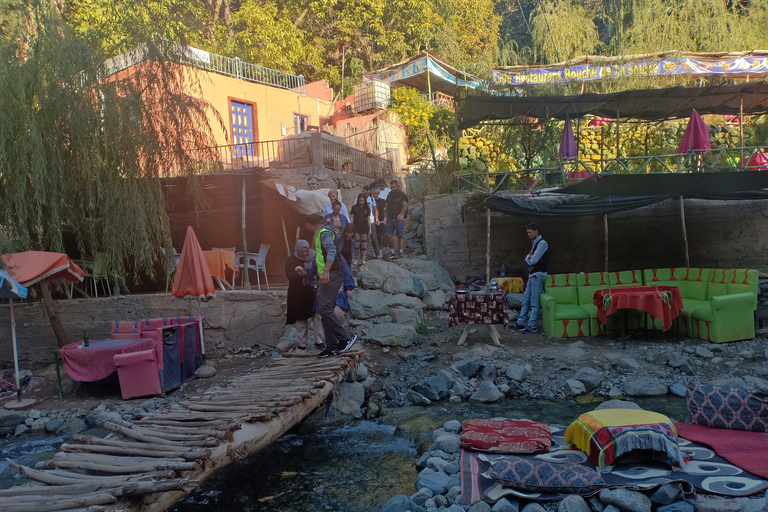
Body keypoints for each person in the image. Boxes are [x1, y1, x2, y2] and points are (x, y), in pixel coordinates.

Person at [305, 214, 357, 357]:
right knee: (324, 308)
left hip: (333, 273)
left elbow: (332, 252)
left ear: (307, 225)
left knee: (324, 307)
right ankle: (331, 346)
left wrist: (326, 271)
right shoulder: (321, 234)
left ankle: (344, 338)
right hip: (328, 275)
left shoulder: (325, 233)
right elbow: (319, 260)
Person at [284, 240, 323, 350]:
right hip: (298, 293)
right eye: (302, 252)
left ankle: (319, 340)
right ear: (297, 250)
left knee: (317, 315)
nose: (305, 254)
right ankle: (302, 343)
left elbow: (319, 270)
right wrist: (299, 274)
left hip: (313, 291)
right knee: (301, 319)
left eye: (306, 251)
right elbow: (288, 274)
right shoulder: (291, 260)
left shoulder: (314, 256)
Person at [515, 222, 549, 334]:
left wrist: (530, 258)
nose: (528, 234)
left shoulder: (542, 243)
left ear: (536, 231)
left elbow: (533, 260)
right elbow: (528, 257)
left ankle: (532, 325)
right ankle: (520, 322)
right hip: (533, 274)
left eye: (530, 232)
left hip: (538, 275)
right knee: (526, 300)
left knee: (534, 301)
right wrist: (530, 258)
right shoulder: (535, 243)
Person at [385, 179, 408, 258]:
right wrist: (385, 217)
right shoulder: (389, 195)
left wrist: (402, 214)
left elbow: (405, 206)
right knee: (389, 235)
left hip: (399, 219)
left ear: (397, 186)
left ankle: (401, 251)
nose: (392, 189)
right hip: (390, 218)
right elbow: (386, 206)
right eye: (391, 187)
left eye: (394, 187)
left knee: (400, 235)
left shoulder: (402, 195)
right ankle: (392, 251)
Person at [349, 193, 371, 265]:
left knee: (364, 243)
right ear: (358, 200)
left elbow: (368, 219)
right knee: (357, 243)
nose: (361, 202)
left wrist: (370, 229)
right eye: (360, 200)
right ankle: (356, 258)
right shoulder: (354, 207)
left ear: (365, 201)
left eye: (363, 200)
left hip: (364, 227)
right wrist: (351, 226)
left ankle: (364, 257)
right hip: (356, 227)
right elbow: (352, 217)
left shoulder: (367, 208)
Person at [363, 186, 379, 258]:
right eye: (365, 193)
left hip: (371, 221)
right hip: (362, 221)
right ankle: (363, 255)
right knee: (363, 239)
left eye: (368, 193)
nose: (367, 195)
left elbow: (375, 209)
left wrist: (377, 218)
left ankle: (377, 253)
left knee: (374, 238)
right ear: (363, 191)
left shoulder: (372, 199)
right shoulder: (358, 199)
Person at [372, 187, 387, 259]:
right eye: (374, 193)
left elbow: (385, 210)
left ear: (378, 193)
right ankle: (375, 251)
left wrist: (385, 218)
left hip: (380, 220)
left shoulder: (382, 201)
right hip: (373, 220)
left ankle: (380, 251)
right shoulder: (370, 200)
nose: (375, 195)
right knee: (374, 237)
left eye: (376, 193)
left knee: (379, 236)